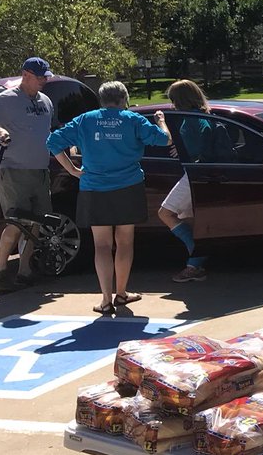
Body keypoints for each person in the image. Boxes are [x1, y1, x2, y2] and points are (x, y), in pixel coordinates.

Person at [46, 81, 171, 315]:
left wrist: (72, 169)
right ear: (124, 98)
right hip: (128, 187)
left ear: (101, 100)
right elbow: (165, 140)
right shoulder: (133, 120)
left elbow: (53, 142)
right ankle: (121, 293)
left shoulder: (85, 120)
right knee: (124, 242)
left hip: (94, 188)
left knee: (101, 245)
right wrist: (162, 122)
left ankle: (105, 300)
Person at [0, 57, 56, 292]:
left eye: (46, 77)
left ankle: (24, 271)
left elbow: (47, 133)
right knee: (17, 222)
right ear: (26, 75)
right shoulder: (3, 101)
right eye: (40, 77)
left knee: (37, 221)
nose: (44, 82)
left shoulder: (46, 101)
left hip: (40, 170)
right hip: (12, 170)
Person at [158, 80, 212, 283]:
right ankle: (196, 258)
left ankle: (196, 259)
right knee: (191, 218)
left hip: (193, 174)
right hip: (198, 173)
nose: (172, 104)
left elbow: (194, 149)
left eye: (173, 99)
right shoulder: (200, 116)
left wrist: (179, 148)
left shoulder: (191, 121)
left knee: (165, 213)